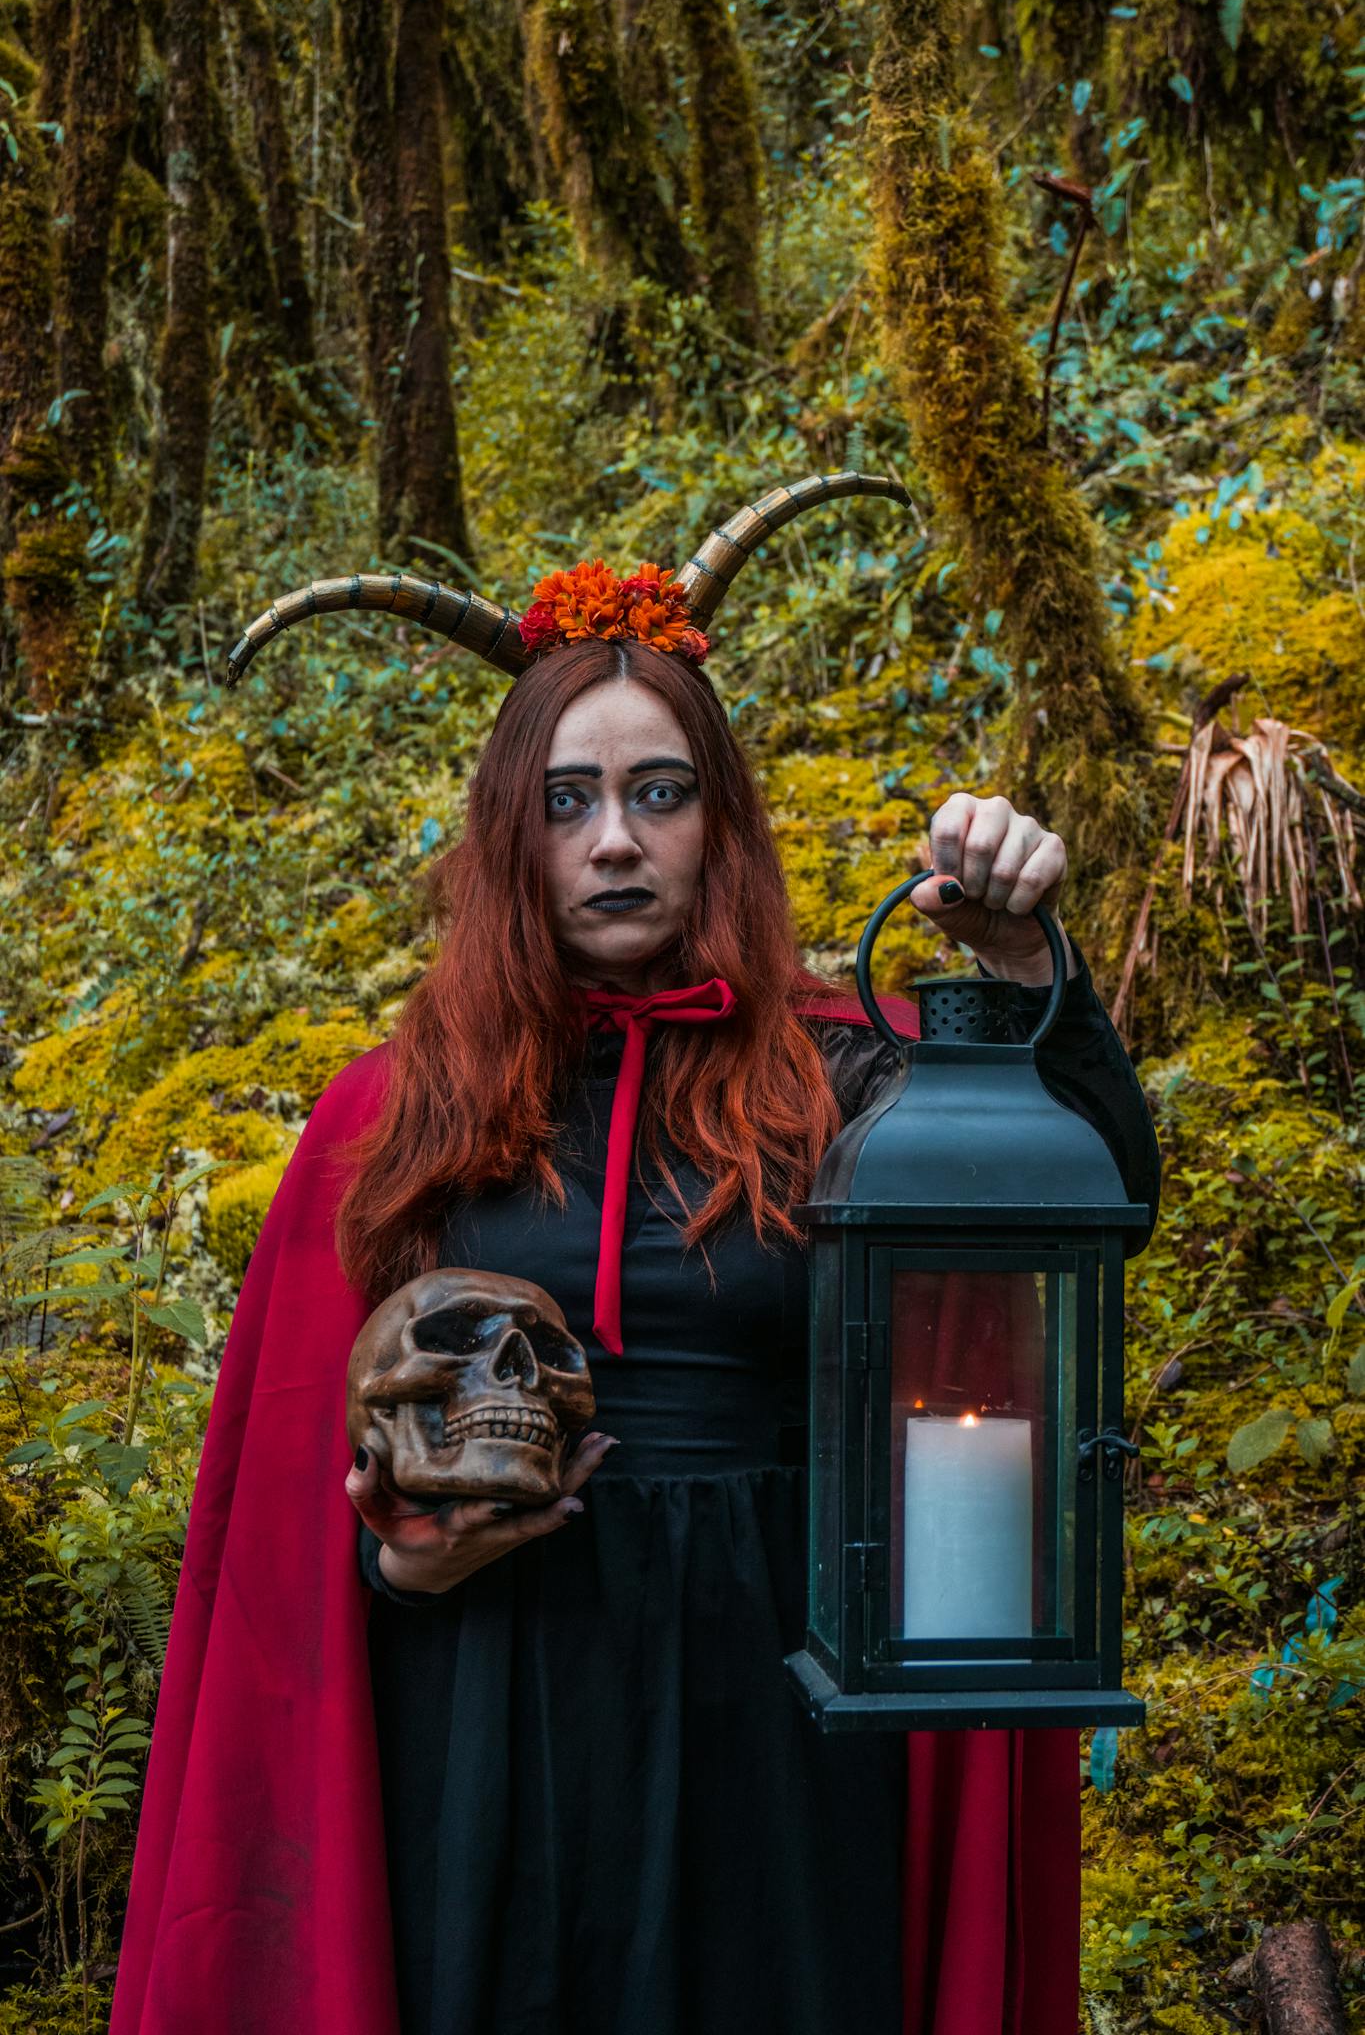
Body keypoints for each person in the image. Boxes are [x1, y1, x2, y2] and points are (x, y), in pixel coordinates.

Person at [111, 483, 1160, 2035]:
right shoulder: (397, 1111)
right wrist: (400, 1562)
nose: (613, 839)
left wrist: (1020, 964)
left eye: (659, 794)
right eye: (565, 801)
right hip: (489, 1692)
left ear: (717, 822)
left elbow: (1097, 1199)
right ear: (508, 835)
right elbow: (300, 1517)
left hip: (785, 1693)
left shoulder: (849, 1077)